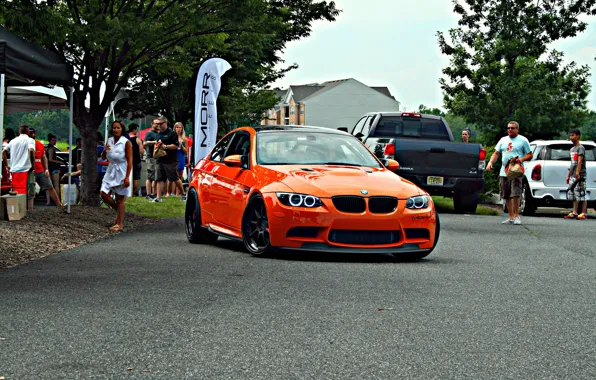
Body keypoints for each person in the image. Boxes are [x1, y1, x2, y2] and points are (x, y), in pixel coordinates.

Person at [486, 121, 533, 225]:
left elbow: (530, 155)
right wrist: (490, 162)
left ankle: (517, 216)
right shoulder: (503, 140)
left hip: (515, 170)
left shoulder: (523, 140)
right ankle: (511, 216)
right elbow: (497, 153)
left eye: (512, 128)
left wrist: (521, 159)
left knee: (515, 193)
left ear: (517, 129)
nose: (510, 130)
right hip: (504, 171)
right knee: (506, 194)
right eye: (508, 128)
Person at [100, 120, 133, 232]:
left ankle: (119, 223)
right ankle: (118, 211)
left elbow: (130, 160)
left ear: (122, 129)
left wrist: (127, 176)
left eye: (118, 128)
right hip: (111, 169)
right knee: (103, 193)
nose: (115, 130)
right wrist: (105, 150)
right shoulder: (109, 140)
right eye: (114, 128)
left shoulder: (126, 142)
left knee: (119, 198)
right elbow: (103, 157)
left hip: (121, 170)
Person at [2, 124, 35, 211]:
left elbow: (3, 152)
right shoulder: (30, 140)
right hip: (26, 169)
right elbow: (31, 151)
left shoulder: (13, 141)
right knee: (29, 192)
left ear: (19, 131)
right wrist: (32, 165)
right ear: (28, 132)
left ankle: (15, 210)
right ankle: (29, 210)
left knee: (16, 191)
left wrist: (7, 165)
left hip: (14, 170)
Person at [153, 116, 186, 202]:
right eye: (157, 124)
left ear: (166, 123)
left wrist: (166, 147)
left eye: (161, 124)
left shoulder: (172, 133)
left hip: (170, 160)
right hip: (160, 159)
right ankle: (158, 198)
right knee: (159, 178)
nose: (159, 125)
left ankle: (183, 194)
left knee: (175, 178)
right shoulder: (158, 134)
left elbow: (176, 145)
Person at [28, 128, 62, 208]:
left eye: (32, 133)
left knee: (50, 187)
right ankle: (30, 210)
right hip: (30, 171)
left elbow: (44, 157)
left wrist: (46, 169)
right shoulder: (24, 144)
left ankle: (59, 205)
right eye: (29, 133)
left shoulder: (39, 144)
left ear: (35, 134)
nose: (31, 134)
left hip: (41, 171)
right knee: (30, 191)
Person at [564, 129, 588, 220]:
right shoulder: (572, 149)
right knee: (573, 193)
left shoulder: (580, 148)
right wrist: (569, 175)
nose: (571, 137)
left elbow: (579, 162)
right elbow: (572, 163)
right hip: (573, 175)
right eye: (570, 135)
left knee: (581, 192)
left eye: (573, 135)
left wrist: (578, 173)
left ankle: (584, 212)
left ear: (578, 136)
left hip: (580, 174)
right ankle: (574, 212)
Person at [143, 120, 160, 199]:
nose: (157, 125)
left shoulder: (158, 133)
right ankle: (148, 194)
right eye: (156, 123)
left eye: (158, 124)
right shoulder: (150, 133)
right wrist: (154, 142)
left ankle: (154, 193)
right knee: (150, 176)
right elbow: (144, 143)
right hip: (150, 157)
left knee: (156, 176)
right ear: (152, 124)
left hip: (157, 157)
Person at [127, 123, 144, 196]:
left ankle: (126, 193)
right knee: (135, 179)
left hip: (127, 161)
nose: (137, 131)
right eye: (137, 129)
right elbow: (142, 151)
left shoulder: (124, 138)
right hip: (136, 161)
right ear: (134, 130)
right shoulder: (138, 140)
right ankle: (133, 193)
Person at [173, 122, 188, 196]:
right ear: (174, 128)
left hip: (181, 156)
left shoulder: (184, 139)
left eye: (180, 127)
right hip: (173, 157)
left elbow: (186, 151)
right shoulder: (172, 138)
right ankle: (171, 192)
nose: (178, 129)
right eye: (177, 127)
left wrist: (181, 146)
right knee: (173, 175)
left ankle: (178, 193)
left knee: (180, 175)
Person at [46, 134, 62, 199]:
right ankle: (57, 199)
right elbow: (50, 159)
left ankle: (48, 201)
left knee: (48, 185)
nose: (54, 141)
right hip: (54, 167)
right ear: (50, 141)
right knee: (56, 185)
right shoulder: (51, 148)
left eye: (55, 140)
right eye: (53, 140)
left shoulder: (47, 148)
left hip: (48, 167)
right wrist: (59, 162)